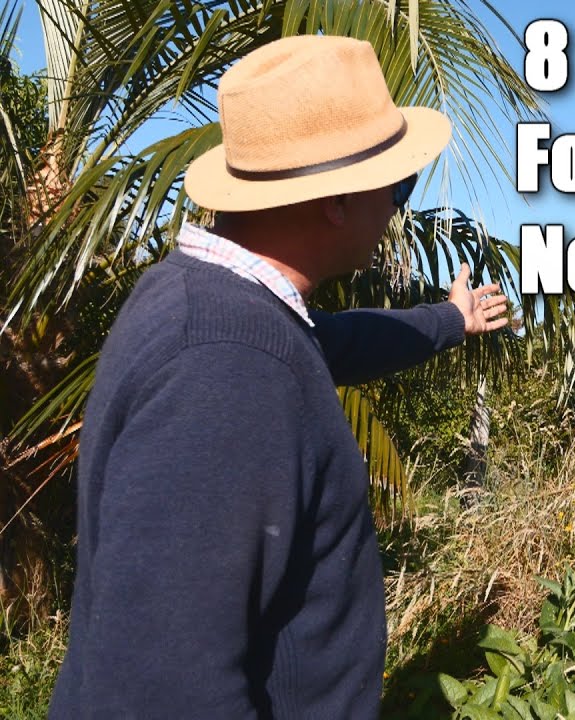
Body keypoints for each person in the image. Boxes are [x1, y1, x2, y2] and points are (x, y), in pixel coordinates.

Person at [49, 35, 508, 718]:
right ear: (338, 200)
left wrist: (450, 318)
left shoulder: (213, 305)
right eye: (398, 186)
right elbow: (164, 691)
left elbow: (334, 341)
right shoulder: (223, 369)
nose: (397, 209)